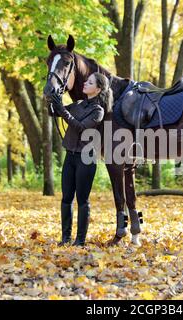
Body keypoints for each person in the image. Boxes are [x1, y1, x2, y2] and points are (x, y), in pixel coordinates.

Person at [48, 72, 112, 246]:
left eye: (90, 82)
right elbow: (54, 112)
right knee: (66, 198)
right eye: (86, 80)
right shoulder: (77, 104)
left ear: (98, 89)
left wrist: (62, 110)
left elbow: (82, 127)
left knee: (82, 200)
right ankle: (65, 238)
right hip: (70, 156)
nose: (85, 83)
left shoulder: (98, 111)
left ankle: (80, 240)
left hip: (86, 159)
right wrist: (54, 98)